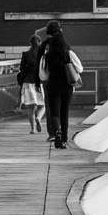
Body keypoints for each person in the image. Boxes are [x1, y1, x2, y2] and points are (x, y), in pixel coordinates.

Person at [40, 20, 77, 148]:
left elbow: (43, 74)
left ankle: (57, 132)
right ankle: (64, 140)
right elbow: (80, 68)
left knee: (54, 113)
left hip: (53, 86)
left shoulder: (47, 55)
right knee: (64, 113)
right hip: (67, 86)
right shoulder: (68, 51)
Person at [16, 29, 46, 133]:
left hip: (28, 83)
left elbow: (21, 69)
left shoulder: (25, 54)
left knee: (30, 108)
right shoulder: (43, 55)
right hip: (40, 83)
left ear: (30, 43)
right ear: (40, 42)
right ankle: (38, 118)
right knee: (43, 105)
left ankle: (33, 129)